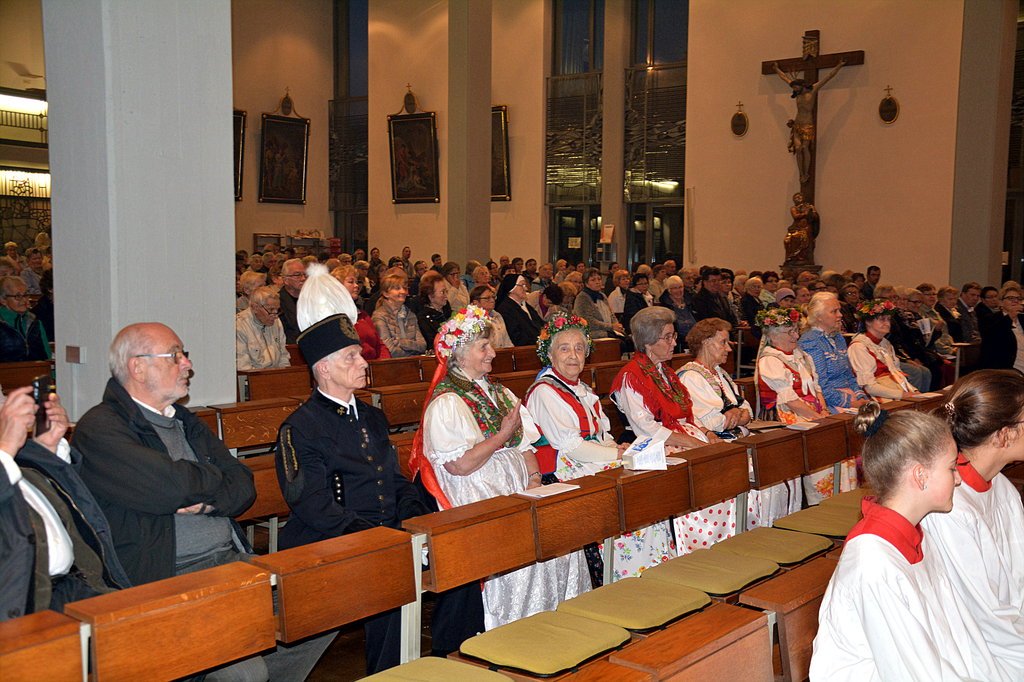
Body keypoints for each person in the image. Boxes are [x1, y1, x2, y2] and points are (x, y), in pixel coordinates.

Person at [275, 298, 430, 674]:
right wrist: (377, 538)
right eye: (351, 357)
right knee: (389, 574)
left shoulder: (374, 417)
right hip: (327, 543)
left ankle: (392, 672)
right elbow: (311, 504)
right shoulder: (300, 427)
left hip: (381, 540)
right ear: (323, 369)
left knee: (400, 571)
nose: (363, 363)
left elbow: (394, 480)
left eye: (361, 355)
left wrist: (416, 520)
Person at [410, 306, 589, 629]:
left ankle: (560, 627)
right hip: (474, 493)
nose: (493, 352)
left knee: (561, 537)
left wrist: (535, 479)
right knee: (521, 541)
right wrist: (501, 435)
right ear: (460, 355)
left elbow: (526, 446)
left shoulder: (499, 392)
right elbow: (460, 465)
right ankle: (513, 631)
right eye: (484, 347)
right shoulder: (447, 401)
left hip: (518, 487)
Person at [811, 402, 1014, 681]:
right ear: (920, 476)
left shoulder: (916, 534)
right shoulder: (873, 562)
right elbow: (909, 671)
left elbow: (954, 635)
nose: (957, 480)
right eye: (952, 468)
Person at [921, 371, 1024, 669]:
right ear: (1003, 435)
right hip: (969, 649)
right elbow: (981, 618)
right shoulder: (949, 508)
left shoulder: (1001, 486)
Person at [0, 386, 130, 622]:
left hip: (78, 587)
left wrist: (47, 448)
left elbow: (75, 506)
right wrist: (6, 448)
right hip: (24, 609)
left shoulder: (15, 462)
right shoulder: (5, 458)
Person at [680, 318, 797, 535]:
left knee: (783, 463)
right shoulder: (691, 376)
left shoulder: (720, 373)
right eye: (723, 342)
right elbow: (713, 423)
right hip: (718, 445)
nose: (728, 348)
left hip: (739, 437)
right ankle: (758, 531)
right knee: (767, 472)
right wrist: (735, 414)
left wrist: (738, 414)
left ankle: (779, 529)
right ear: (705, 342)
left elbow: (747, 410)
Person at [798, 292, 869, 412]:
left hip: (851, 398)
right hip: (829, 403)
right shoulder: (810, 341)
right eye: (834, 311)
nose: (840, 315)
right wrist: (850, 402)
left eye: (840, 310)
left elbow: (849, 375)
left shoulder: (838, 338)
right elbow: (820, 385)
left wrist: (860, 396)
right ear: (819, 316)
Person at [847, 299, 918, 401]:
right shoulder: (859, 346)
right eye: (881, 319)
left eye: (888, 319)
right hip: (877, 397)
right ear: (868, 322)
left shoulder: (886, 343)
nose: (887, 323)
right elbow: (868, 386)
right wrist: (901, 395)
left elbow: (897, 374)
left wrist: (912, 390)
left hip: (895, 390)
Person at [332, 265, 390, 360]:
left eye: (357, 282)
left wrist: (383, 364)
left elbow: (379, 344)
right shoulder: (333, 317)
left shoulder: (363, 315)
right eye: (351, 282)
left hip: (374, 366)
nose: (356, 286)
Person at [235, 285, 290, 370]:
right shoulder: (239, 325)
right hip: (254, 378)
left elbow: (283, 356)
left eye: (277, 310)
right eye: (271, 310)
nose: (275, 315)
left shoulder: (276, 322)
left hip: (275, 376)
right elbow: (243, 366)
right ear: (255, 307)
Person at [372, 273, 426, 358]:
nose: (403, 291)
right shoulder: (379, 316)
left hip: (412, 364)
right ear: (386, 293)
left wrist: (401, 342)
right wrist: (413, 354)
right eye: (397, 288)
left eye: (405, 288)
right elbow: (389, 350)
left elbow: (422, 346)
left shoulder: (411, 315)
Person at [0, 276, 50, 362]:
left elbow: (47, 357)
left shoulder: (35, 322)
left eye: (26, 295)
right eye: (18, 296)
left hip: (37, 373)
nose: (24, 300)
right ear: (3, 300)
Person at [979, 284, 1024, 371]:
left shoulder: (1022, 319)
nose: (1015, 301)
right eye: (1011, 298)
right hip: (1004, 367)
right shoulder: (991, 319)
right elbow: (992, 337)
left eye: (1018, 299)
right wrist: (1010, 316)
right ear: (1001, 302)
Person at [574, 268, 624, 341]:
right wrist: (611, 326)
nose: (597, 282)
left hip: (608, 330)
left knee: (628, 340)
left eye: (599, 279)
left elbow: (611, 314)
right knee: (621, 343)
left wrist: (617, 324)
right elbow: (588, 321)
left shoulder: (602, 295)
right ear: (586, 283)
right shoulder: (582, 297)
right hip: (592, 333)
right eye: (593, 280)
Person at [495, 273, 544, 346]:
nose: (526, 288)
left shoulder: (525, 305)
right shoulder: (505, 309)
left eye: (525, 285)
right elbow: (516, 337)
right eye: (522, 285)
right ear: (511, 289)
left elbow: (540, 324)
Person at [658, 275, 696, 352]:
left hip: (695, 341)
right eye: (675, 288)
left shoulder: (692, 302)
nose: (679, 290)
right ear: (669, 290)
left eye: (680, 287)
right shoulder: (665, 306)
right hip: (677, 344)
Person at [470, 284, 512, 348]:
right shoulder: (472, 319)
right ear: (476, 302)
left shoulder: (497, 316)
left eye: (493, 297)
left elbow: (507, 341)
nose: (492, 300)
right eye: (487, 298)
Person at [416, 270, 452, 347]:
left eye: (446, 291)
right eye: (442, 292)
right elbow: (432, 343)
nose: (446, 295)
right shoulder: (424, 318)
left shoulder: (447, 310)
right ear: (430, 296)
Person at [278, 258, 307, 343]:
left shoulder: (311, 299)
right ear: (286, 280)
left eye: (304, 274)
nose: (303, 278)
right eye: (297, 275)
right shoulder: (277, 301)